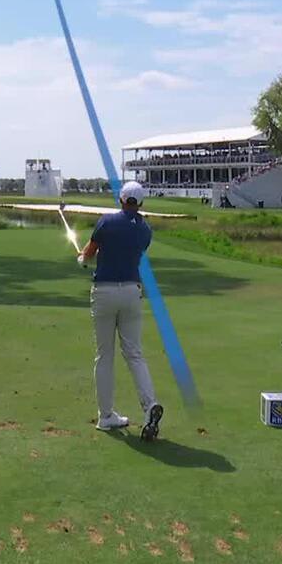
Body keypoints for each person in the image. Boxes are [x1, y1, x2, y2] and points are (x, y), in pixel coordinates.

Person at [77, 180, 163, 441]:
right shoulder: (145, 230)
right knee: (134, 354)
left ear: (121, 199)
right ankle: (149, 406)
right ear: (141, 203)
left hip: (103, 292)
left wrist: (81, 258)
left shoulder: (105, 222)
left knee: (104, 355)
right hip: (131, 292)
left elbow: (89, 253)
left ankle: (105, 416)